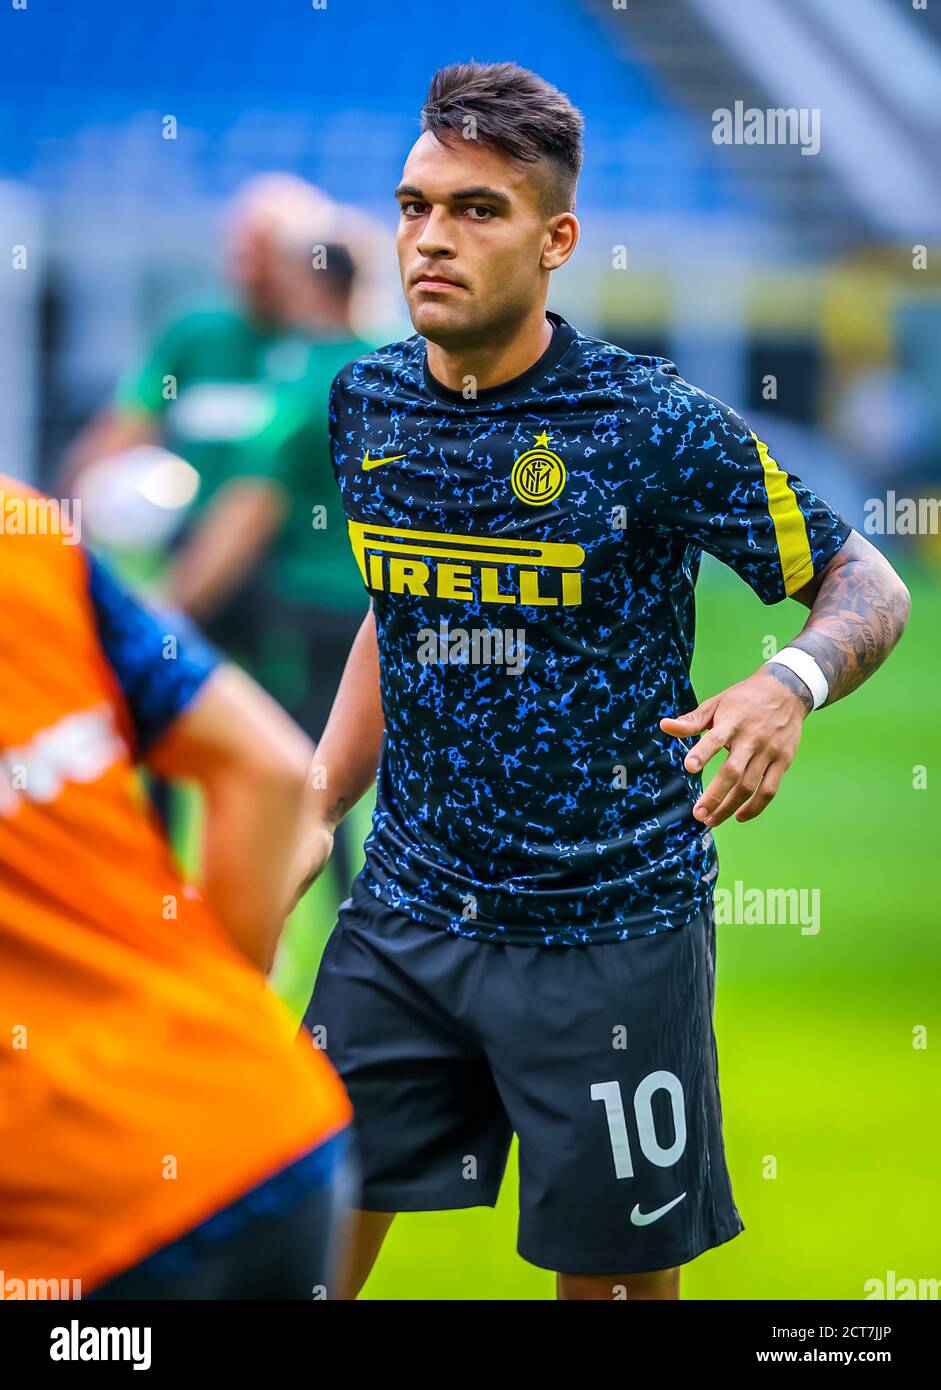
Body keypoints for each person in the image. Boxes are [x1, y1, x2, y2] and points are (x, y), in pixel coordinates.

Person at [292, 62, 911, 1301]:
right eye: (415, 206)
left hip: (609, 938)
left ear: (555, 237)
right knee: (291, 1255)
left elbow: (865, 584)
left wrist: (787, 680)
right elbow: (398, 611)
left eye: (476, 210)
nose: (431, 237)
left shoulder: (649, 423)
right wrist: (312, 803)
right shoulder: (363, 404)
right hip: (406, 920)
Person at [0, 476, 353, 1298]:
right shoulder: (20, 528)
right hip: (271, 1140)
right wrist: (216, 1020)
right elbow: (264, 767)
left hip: (82, 1237)